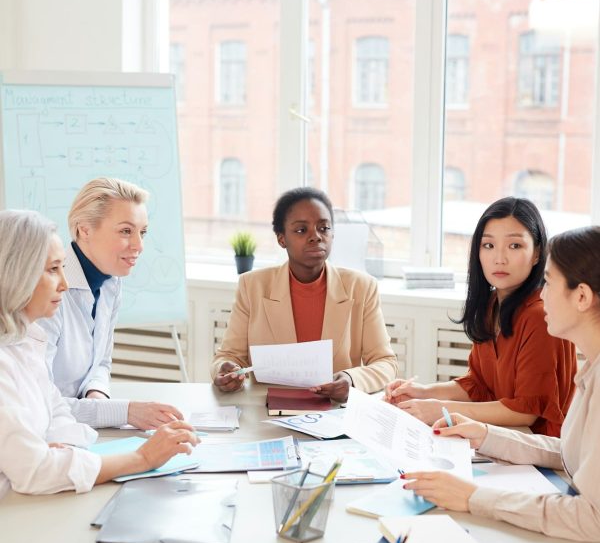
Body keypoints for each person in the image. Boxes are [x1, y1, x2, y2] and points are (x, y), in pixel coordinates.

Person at [402, 226, 600, 542]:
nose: (542, 293)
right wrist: (486, 436)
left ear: (581, 296)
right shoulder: (591, 365)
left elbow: (592, 519)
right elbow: (571, 454)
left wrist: (473, 497)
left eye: (548, 282)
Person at [0, 210, 198, 497]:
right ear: (17, 274)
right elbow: (35, 472)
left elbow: (57, 415)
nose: (64, 284)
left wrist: (61, 452)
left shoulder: (29, 341)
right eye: (53, 269)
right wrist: (142, 459)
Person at [384, 197, 576, 436]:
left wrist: (439, 409)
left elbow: (526, 411)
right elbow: (478, 385)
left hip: (540, 449)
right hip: (499, 438)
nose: (499, 258)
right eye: (488, 245)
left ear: (537, 253)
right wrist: (423, 392)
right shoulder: (491, 304)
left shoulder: (539, 315)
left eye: (514, 246)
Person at [211, 187, 398, 401]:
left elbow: (385, 363)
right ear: (282, 239)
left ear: (333, 233)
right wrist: (224, 371)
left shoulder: (362, 287)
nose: (316, 237)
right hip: (268, 411)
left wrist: (351, 379)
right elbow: (228, 356)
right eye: (301, 230)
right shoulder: (252, 286)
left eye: (324, 228)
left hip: (334, 411)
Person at [37, 177, 183, 430]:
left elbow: (100, 363)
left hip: (77, 427)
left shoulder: (111, 282)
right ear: (84, 229)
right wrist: (124, 412)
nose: (139, 245)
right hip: (43, 433)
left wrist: (98, 396)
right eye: (126, 231)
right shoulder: (47, 291)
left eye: (142, 232)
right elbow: (39, 401)